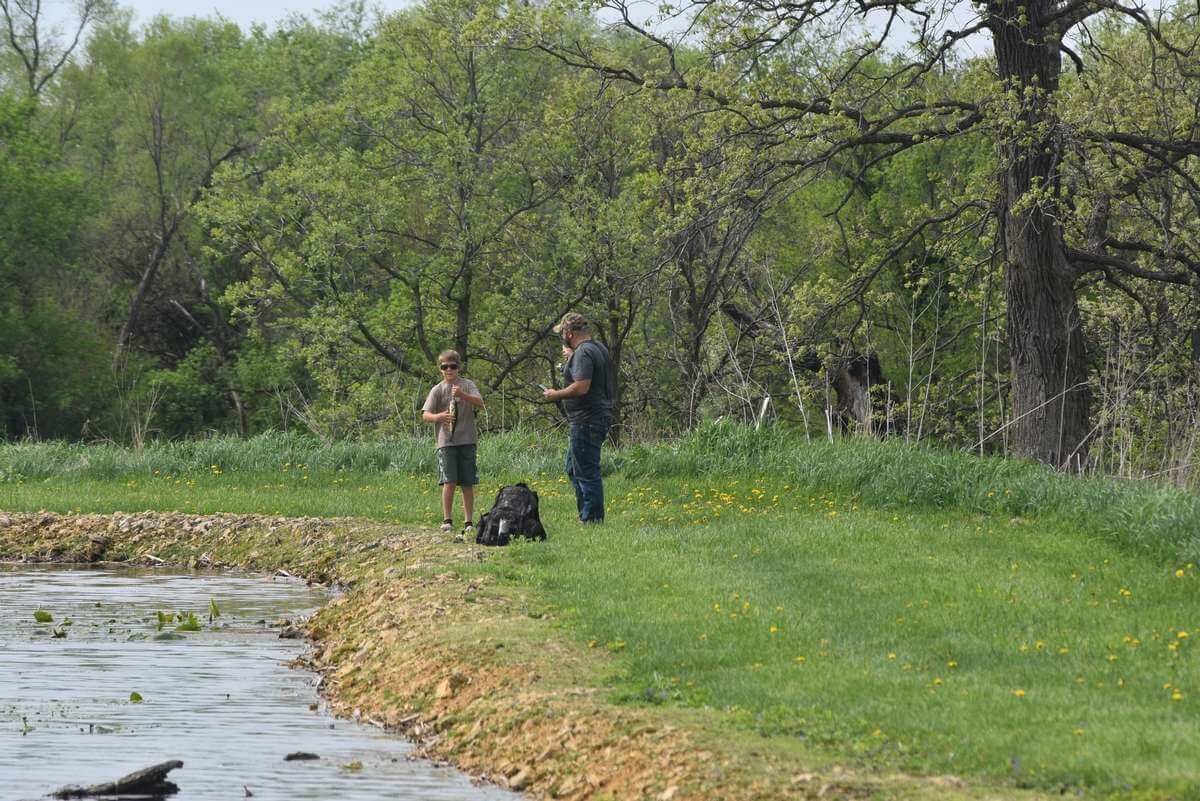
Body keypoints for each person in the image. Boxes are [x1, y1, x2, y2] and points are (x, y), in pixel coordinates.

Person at [542, 312, 614, 523]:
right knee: (573, 468)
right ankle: (585, 513)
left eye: (562, 333)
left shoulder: (583, 353)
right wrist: (571, 360)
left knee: (586, 472)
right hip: (594, 417)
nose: (562, 337)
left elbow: (582, 387)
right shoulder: (597, 348)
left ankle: (592, 519)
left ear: (569, 333)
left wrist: (556, 394)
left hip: (587, 420)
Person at [421, 350, 485, 536]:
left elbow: (480, 402)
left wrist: (463, 395)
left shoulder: (467, 385)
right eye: (445, 367)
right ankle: (447, 519)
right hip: (446, 441)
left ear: (459, 367)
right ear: (440, 369)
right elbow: (425, 414)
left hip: (467, 440)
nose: (449, 370)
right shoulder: (437, 389)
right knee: (449, 481)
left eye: (453, 366)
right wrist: (438, 417)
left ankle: (468, 521)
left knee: (467, 482)